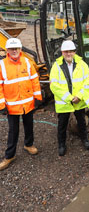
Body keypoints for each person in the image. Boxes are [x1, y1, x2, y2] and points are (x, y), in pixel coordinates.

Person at [0, 38, 42, 171]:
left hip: (28, 103)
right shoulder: (2, 65)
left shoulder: (27, 63)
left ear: (20, 50)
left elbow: (35, 80)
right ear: (7, 50)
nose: (14, 51)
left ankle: (28, 145)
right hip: (12, 106)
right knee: (13, 131)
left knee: (29, 125)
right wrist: (2, 105)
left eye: (16, 49)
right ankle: (9, 155)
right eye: (12, 49)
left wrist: (38, 97)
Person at [50, 40, 89, 156]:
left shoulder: (82, 65)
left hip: (79, 101)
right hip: (64, 102)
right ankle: (61, 144)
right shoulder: (56, 66)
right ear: (62, 52)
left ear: (74, 52)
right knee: (62, 125)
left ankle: (85, 139)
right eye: (66, 52)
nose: (69, 54)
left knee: (81, 122)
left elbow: (88, 82)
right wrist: (69, 97)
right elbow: (54, 86)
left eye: (71, 51)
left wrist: (79, 96)